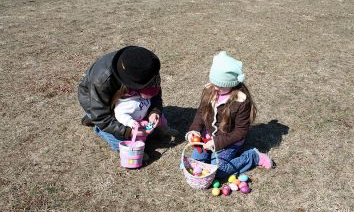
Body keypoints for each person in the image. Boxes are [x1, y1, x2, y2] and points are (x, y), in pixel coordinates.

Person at [185, 51, 273, 180]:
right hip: (207, 137)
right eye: (214, 83)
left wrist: (217, 142)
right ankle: (207, 156)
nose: (215, 88)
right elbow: (201, 113)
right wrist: (195, 130)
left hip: (229, 141)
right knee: (196, 163)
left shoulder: (241, 101)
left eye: (220, 86)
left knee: (219, 172)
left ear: (231, 84)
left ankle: (252, 157)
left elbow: (240, 132)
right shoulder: (211, 90)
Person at [78, 46, 178, 152]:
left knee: (150, 127)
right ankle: (94, 120)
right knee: (122, 145)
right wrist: (128, 131)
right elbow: (101, 116)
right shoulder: (101, 79)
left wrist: (155, 110)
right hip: (96, 102)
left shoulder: (147, 64)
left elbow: (155, 93)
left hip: (127, 102)